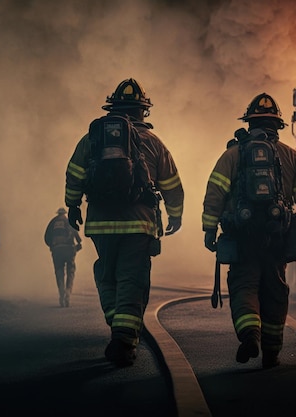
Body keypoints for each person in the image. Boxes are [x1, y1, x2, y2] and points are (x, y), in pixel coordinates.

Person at [65, 78, 184, 367]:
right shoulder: (153, 142)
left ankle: (117, 324)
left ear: (113, 108)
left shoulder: (92, 138)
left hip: (100, 224)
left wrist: (72, 205)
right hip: (138, 224)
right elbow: (171, 183)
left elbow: (74, 174)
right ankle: (122, 337)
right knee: (132, 278)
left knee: (107, 275)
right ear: (143, 111)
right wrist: (175, 213)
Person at [202, 93, 296, 369]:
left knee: (245, 287)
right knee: (275, 290)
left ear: (248, 123)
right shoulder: (291, 157)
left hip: (242, 236)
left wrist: (209, 228)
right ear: (278, 125)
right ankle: (271, 352)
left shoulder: (233, 155)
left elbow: (215, 193)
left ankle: (250, 335)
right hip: (277, 237)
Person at [44, 207, 82, 307]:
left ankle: (61, 290)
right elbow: (78, 238)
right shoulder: (68, 221)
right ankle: (68, 292)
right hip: (69, 250)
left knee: (59, 270)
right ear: (65, 213)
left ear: (58, 213)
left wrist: (52, 246)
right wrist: (78, 244)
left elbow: (46, 237)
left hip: (57, 250)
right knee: (70, 271)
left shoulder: (53, 222)